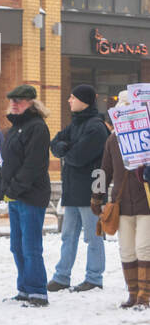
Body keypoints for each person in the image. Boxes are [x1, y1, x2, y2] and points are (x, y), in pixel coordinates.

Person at [48, 84, 109, 293]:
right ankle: (62, 276)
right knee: (68, 235)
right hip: (73, 190)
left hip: (91, 191)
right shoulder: (74, 124)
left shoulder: (96, 127)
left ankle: (94, 277)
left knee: (93, 236)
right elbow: (55, 143)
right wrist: (63, 148)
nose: (69, 100)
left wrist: (65, 149)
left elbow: (77, 156)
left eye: (72, 97)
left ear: (84, 101)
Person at [0, 85, 52, 307]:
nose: (14, 103)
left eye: (19, 100)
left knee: (31, 246)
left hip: (31, 196)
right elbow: (11, 161)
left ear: (31, 103)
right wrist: (1, 178)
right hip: (16, 195)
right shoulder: (15, 128)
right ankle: (24, 288)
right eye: (12, 100)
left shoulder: (37, 127)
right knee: (17, 245)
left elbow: (33, 165)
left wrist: (15, 187)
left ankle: (38, 291)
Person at [95, 90, 150, 308]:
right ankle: (133, 293)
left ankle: (145, 296)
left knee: (144, 247)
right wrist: (96, 196)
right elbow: (103, 171)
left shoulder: (147, 137)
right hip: (120, 202)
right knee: (126, 249)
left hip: (146, 201)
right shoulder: (112, 139)